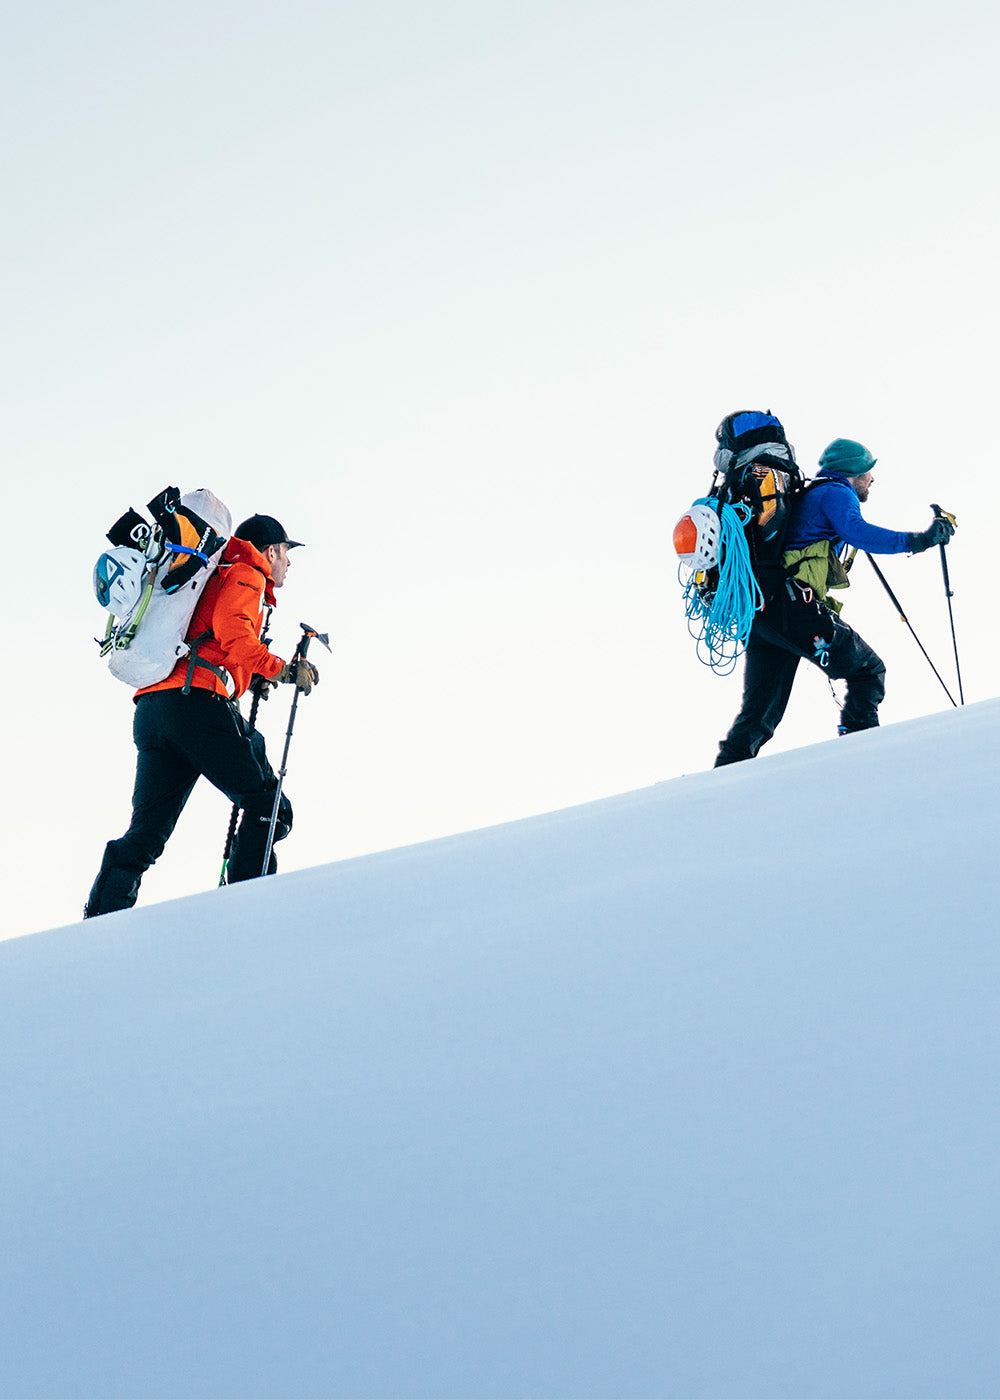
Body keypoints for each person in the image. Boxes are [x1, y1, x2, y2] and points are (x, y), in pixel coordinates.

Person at [85, 512, 320, 916]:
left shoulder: (213, 577)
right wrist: (281, 669)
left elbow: (214, 640)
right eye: (286, 553)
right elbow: (235, 635)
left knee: (146, 834)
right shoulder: (246, 572)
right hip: (195, 704)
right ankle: (250, 901)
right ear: (271, 550)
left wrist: (249, 677)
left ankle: (101, 916)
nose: (289, 563)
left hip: (154, 711)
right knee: (268, 803)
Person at [715, 436, 955, 766]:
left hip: (763, 616)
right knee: (868, 672)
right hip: (795, 609)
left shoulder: (812, 495)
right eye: (869, 471)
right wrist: (922, 540)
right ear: (853, 473)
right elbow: (859, 532)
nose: (873, 479)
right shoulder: (836, 492)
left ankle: (720, 781)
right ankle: (862, 754)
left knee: (758, 715)